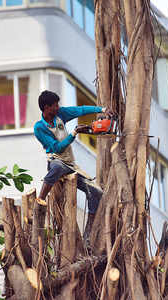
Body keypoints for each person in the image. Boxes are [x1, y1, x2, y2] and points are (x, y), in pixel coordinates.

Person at [33, 90, 112, 242]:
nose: (58, 107)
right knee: (56, 168)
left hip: (70, 165)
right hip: (56, 160)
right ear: (46, 107)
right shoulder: (39, 128)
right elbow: (56, 148)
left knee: (96, 192)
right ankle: (40, 200)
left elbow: (80, 110)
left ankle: (88, 233)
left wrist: (102, 110)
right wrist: (74, 133)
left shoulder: (60, 115)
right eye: (55, 105)